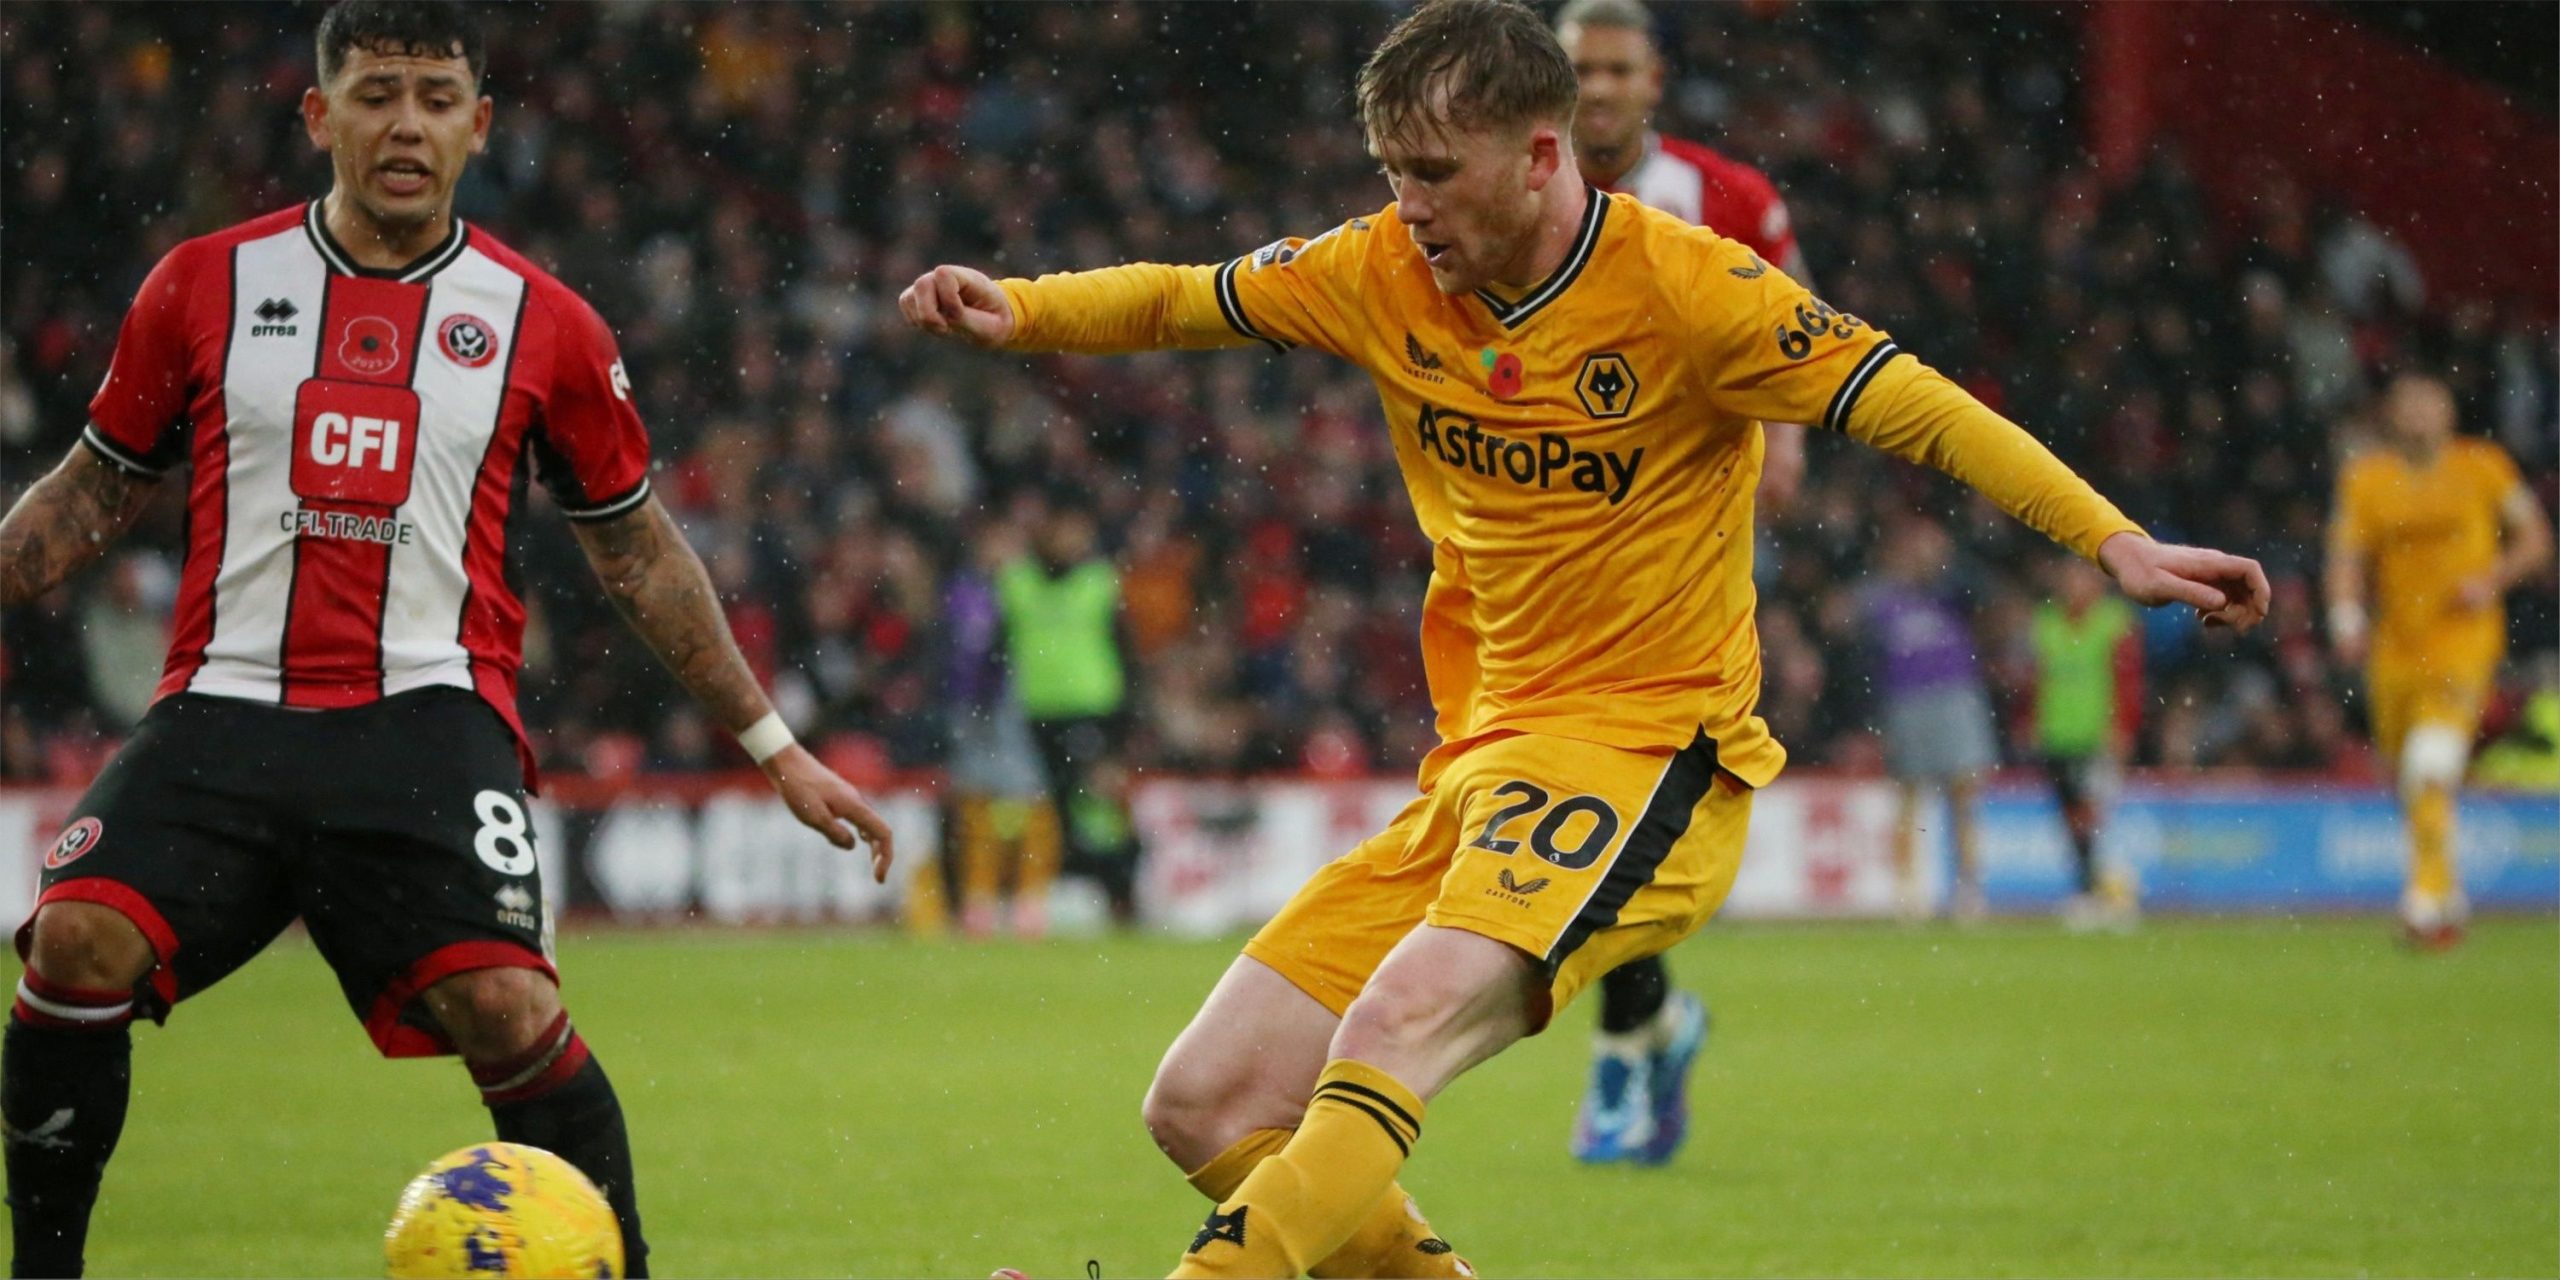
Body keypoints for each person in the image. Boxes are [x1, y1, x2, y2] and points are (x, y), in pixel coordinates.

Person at [902, 2, 2268, 1272]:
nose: (1406, 204)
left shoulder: (1691, 289)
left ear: (1541, 156)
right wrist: (1025, 310)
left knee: (1393, 1025)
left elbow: (1915, 403)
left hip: (1652, 755)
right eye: (1392, 170)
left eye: (1435, 172)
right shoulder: (1377, 270)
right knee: (1205, 1100)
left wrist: (2112, 540)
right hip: (1484, 763)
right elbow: (1188, 296)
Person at [0, 4, 893, 1275]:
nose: (405, 125)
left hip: (428, 719)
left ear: (480, 126)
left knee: (509, 1003)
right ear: (319, 116)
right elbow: (92, 491)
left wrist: (775, 746)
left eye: (434, 98)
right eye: (375, 95)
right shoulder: (202, 283)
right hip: (221, 708)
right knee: (75, 937)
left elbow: (638, 551)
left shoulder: (547, 323)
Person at [1553, 0, 1808, 1165]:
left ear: (1653, 79)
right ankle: (1655, 1021)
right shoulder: (1516, 193)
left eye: (1617, 68)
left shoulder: (1725, 199)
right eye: (1580, 68)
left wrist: (1784, 442)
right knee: (1574, 806)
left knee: (1619, 787)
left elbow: (1798, 330)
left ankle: (1621, 1048)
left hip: (1680, 548)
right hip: (1547, 541)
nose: (1598, 88)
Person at [2327, 371, 2551, 949]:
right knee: (2408, 777)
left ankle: (2424, 903)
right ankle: (2446, 892)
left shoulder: (2484, 466)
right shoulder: (2367, 478)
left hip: (2462, 644)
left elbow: (2535, 539)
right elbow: (2347, 555)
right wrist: (2346, 618)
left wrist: (2491, 580)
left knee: (2429, 764)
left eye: (2430, 403)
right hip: (2395, 649)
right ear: (2390, 415)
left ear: (2449, 411)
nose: (2420, 415)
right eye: (2409, 405)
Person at [998, 500, 1143, 927]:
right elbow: (991, 650)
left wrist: (1123, 728)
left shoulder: (1099, 582)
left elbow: (1126, 652)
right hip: (1034, 714)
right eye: (1066, 529)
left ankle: (1119, 889)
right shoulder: (1015, 582)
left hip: (1092, 710)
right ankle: (1065, 892)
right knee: (1051, 810)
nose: (1074, 540)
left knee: (1096, 806)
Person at [1865, 517, 2000, 922]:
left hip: (1955, 696)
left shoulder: (1953, 590)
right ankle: (1907, 891)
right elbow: (1864, 657)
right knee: (1908, 795)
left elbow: (1986, 594)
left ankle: (1969, 888)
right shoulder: (1882, 599)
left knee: (1963, 794)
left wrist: (1944, 563)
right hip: (1905, 702)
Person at [2030, 551, 2141, 930]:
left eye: (2082, 577)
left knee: (2092, 815)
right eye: (2069, 577)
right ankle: (2090, 889)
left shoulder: (2114, 622)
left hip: (2097, 736)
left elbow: (2128, 679)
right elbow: (2038, 677)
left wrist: (2122, 726)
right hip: (2058, 733)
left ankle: (2106, 891)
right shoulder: (2046, 621)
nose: (2074, 584)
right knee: (2070, 818)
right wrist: (2032, 719)